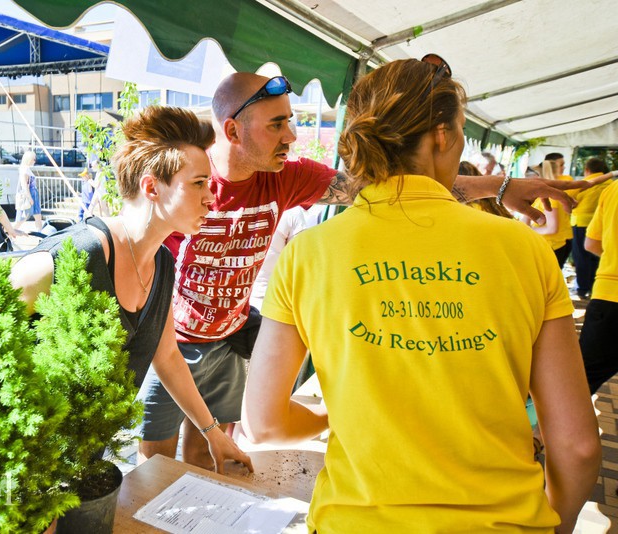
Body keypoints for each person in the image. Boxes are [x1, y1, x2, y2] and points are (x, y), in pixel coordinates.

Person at [137, 70, 593, 471]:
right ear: (233, 130)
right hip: (172, 345)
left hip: (231, 336)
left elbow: (393, 183)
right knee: (154, 462)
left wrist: (501, 185)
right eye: (277, 124)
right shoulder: (188, 184)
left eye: (290, 121)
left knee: (207, 452)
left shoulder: (285, 177)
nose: (292, 135)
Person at [241, 57, 600, 533]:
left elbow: (263, 424)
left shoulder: (308, 254)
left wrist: (330, 414)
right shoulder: (524, 251)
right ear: (441, 136)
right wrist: (560, 523)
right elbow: (577, 446)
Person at [9, 106, 253, 475]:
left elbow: (168, 356)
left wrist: (212, 433)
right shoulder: (76, 254)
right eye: (199, 183)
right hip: (22, 466)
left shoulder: (163, 264)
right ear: (151, 187)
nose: (211, 199)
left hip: (81, 465)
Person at [579, 175, 618, 393]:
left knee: (580, 382)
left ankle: (540, 427)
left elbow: (591, 243)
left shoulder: (613, 189)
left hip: (609, 296)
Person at [569, 158, 617, 298]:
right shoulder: (610, 184)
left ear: (587, 170)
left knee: (582, 258)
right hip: (602, 225)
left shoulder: (586, 183)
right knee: (595, 259)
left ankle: (583, 288)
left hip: (581, 223)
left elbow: (568, 196)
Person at [520, 157, 575, 268]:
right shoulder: (538, 196)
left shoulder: (550, 198)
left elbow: (552, 228)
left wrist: (528, 229)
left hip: (552, 246)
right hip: (549, 244)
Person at [15, 150, 43, 232]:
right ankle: (9, 233)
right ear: (28, 159)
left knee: (38, 216)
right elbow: (24, 185)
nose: (34, 161)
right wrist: (30, 198)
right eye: (33, 159)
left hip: (33, 194)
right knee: (23, 218)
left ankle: (40, 235)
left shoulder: (26, 169)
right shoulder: (25, 169)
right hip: (29, 195)